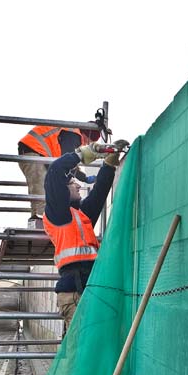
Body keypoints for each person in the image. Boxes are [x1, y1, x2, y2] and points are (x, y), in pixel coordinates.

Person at [43, 140, 128, 331]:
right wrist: (83, 154)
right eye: (74, 184)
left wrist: (109, 164)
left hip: (89, 288)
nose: (79, 187)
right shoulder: (58, 213)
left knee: (91, 346)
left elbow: (99, 193)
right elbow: (55, 172)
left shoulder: (80, 215)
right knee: (80, 349)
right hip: (74, 293)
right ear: (63, 190)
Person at [18, 125, 102, 227]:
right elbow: (66, 161)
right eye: (87, 142)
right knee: (41, 190)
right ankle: (45, 224)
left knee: (39, 189)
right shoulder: (74, 135)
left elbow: (67, 162)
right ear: (86, 135)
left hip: (34, 151)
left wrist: (83, 178)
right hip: (33, 151)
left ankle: (37, 222)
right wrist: (69, 181)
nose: (84, 145)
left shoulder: (70, 133)